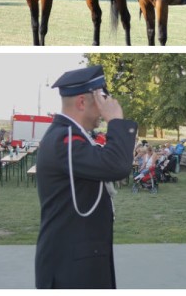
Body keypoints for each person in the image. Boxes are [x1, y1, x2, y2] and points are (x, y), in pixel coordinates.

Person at [35, 65, 138, 288]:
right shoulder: (66, 140)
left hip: (78, 260)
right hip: (71, 268)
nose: (104, 110)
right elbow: (117, 166)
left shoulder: (70, 136)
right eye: (101, 100)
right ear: (82, 102)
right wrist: (116, 122)